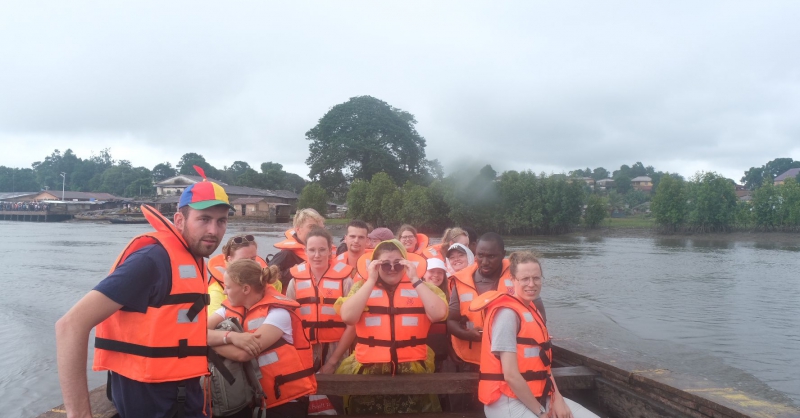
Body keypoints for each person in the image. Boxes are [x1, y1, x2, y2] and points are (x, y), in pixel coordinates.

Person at [56, 175, 262, 418]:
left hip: (181, 397)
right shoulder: (152, 260)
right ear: (179, 220)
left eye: (221, 221)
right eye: (204, 219)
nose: (213, 230)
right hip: (150, 403)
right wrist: (79, 415)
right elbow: (70, 326)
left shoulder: (191, 257)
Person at [470, 251, 597, 418]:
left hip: (540, 396)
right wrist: (541, 412)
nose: (531, 284)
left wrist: (557, 398)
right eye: (525, 279)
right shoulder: (507, 315)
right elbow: (510, 375)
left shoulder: (532, 311)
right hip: (506, 400)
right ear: (513, 280)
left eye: (536, 278)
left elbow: (544, 365)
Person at [335, 240, 448, 414]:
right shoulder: (361, 287)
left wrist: (415, 279)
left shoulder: (423, 287)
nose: (392, 269)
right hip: (368, 372)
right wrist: (371, 279)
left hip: (413, 370)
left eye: (398, 264)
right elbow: (348, 317)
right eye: (385, 265)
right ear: (376, 266)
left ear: (406, 264)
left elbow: (438, 314)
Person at [210, 260, 316, 418]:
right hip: (251, 400)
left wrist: (208, 346)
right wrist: (231, 337)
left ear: (245, 289)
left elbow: (244, 354)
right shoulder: (228, 309)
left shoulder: (278, 313)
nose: (224, 292)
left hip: (285, 401)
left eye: (228, 287)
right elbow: (196, 332)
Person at [444, 232, 514, 411]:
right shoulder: (461, 281)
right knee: (472, 406)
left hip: (508, 359)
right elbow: (451, 321)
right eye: (480, 255)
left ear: (503, 254)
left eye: (491, 256)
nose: (485, 261)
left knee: (504, 404)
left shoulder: (517, 278)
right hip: (472, 359)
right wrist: (466, 334)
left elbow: (537, 316)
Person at [286, 227, 356, 374]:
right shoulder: (295, 281)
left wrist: (333, 361)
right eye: (312, 250)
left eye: (322, 250)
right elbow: (289, 320)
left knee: (336, 394)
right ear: (305, 251)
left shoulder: (345, 281)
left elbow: (353, 325)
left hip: (336, 349)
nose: (317, 255)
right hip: (305, 349)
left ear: (330, 251)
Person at [208, 234, 280, 316]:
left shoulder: (268, 279)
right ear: (230, 260)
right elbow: (213, 325)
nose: (250, 263)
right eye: (243, 260)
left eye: (253, 259)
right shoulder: (217, 290)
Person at [270, 208, 326, 292]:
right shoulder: (286, 254)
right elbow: (266, 277)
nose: (316, 231)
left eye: (319, 228)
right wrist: (292, 272)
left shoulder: (327, 252)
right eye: (311, 227)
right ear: (298, 229)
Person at [421, 258, 450, 372]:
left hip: (441, 351)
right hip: (421, 351)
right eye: (432, 271)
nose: (436, 275)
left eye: (440, 272)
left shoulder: (449, 296)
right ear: (424, 274)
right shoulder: (413, 293)